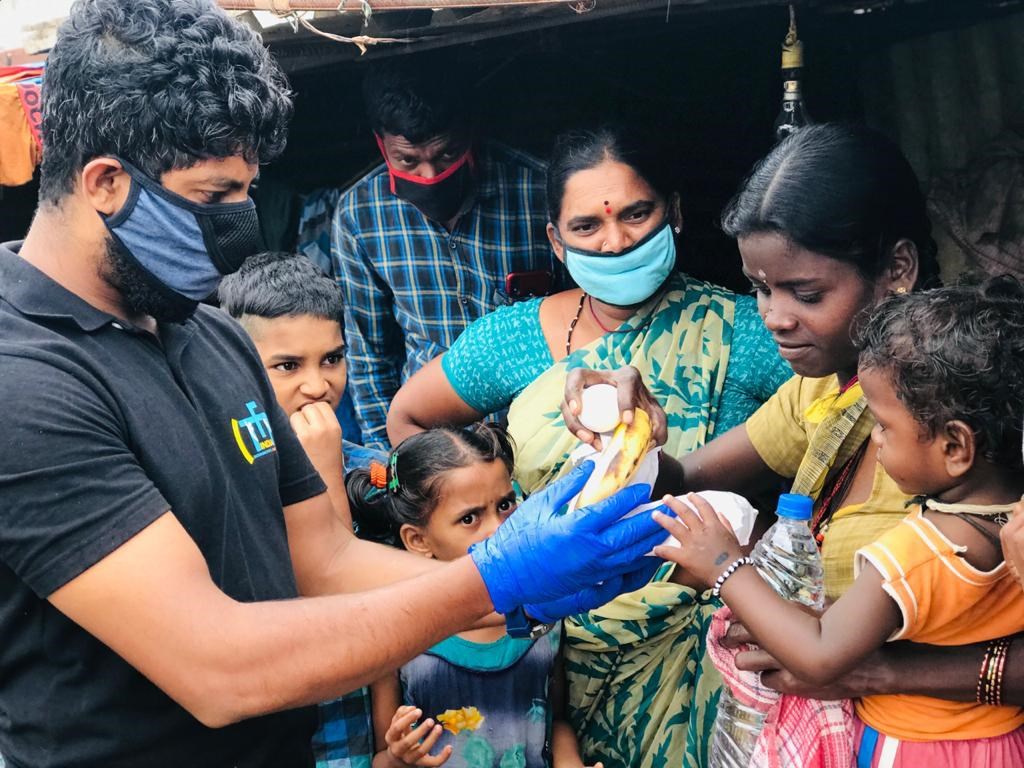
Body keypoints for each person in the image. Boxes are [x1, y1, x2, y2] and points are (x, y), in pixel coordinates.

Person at [0, 3, 665, 766]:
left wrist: (519, 586)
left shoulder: (209, 334)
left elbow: (321, 560)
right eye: (216, 198)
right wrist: (494, 574)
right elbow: (215, 665)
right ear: (107, 183)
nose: (241, 230)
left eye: (249, 192)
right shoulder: (24, 381)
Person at [563, 123, 1024, 722]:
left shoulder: (981, 420)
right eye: (760, 289)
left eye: (805, 293)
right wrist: (631, 430)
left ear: (898, 269)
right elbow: (680, 478)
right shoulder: (821, 393)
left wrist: (883, 672)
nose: (775, 317)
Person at [388, 125, 792, 768]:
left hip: (703, 648)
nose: (617, 240)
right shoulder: (515, 339)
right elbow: (407, 415)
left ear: (676, 212)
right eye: (586, 227)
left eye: (638, 213)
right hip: (545, 658)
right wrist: (482, 528)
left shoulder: (749, 332)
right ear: (555, 238)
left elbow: (833, 433)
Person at [656, 277, 1024, 766]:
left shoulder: (918, 549)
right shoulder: (1010, 522)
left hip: (915, 749)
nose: (874, 442)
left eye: (885, 429)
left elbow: (820, 654)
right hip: (1001, 743)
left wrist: (725, 565)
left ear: (955, 447)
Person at [333, 59, 564, 451]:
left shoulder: (540, 193)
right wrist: (389, 460)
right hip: (433, 447)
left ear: (469, 133)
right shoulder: (359, 215)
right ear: (381, 143)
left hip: (542, 432)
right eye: (407, 160)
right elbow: (369, 353)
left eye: (446, 155)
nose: (428, 176)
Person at [218, 251, 385, 768]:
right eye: (288, 366)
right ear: (235, 365)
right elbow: (323, 583)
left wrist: (331, 472)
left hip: (368, 724)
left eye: (331, 359)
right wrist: (316, 472)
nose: (317, 385)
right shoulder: (222, 473)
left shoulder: (377, 471)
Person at [349, 424, 598, 768]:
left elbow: (554, 722)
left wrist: (569, 761)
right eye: (469, 518)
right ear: (418, 540)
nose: (498, 529)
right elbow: (383, 759)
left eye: (506, 504)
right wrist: (398, 756)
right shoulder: (398, 636)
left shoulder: (543, 614)